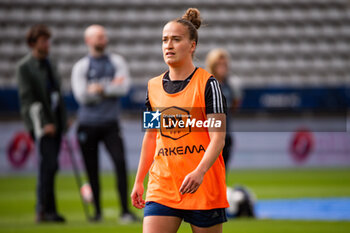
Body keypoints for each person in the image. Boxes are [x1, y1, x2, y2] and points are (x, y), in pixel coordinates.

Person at [131, 8, 229, 233]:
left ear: (192, 45)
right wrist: (139, 180)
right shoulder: (153, 87)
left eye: (176, 39)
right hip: (162, 186)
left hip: (203, 185)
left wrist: (200, 172)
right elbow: (151, 136)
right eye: (164, 40)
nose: (168, 45)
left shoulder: (208, 84)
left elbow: (218, 138)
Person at [71, 24, 137, 223]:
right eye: (98, 36)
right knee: (91, 168)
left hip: (111, 124)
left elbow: (124, 88)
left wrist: (100, 89)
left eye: (104, 35)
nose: (103, 39)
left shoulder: (117, 61)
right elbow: (81, 96)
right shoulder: (81, 66)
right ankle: (97, 212)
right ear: (88, 40)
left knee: (120, 164)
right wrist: (110, 88)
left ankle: (125, 210)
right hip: (87, 124)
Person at [16, 24, 68, 223]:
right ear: (32, 43)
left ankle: (50, 210)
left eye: (48, 40)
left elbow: (57, 95)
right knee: (47, 166)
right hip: (41, 125)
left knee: (52, 167)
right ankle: (42, 210)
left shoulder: (50, 63)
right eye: (43, 41)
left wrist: (62, 120)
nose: (47, 44)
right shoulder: (25, 67)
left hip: (55, 123)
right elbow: (28, 100)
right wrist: (44, 124)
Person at [206, 48, 242, 169]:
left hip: (226, 136)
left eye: (224, 64)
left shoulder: (231, 85)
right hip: (208, 138)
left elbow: (234, 106)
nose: (222, 67)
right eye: (219, 64)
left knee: (222, 174)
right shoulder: (206, 83)